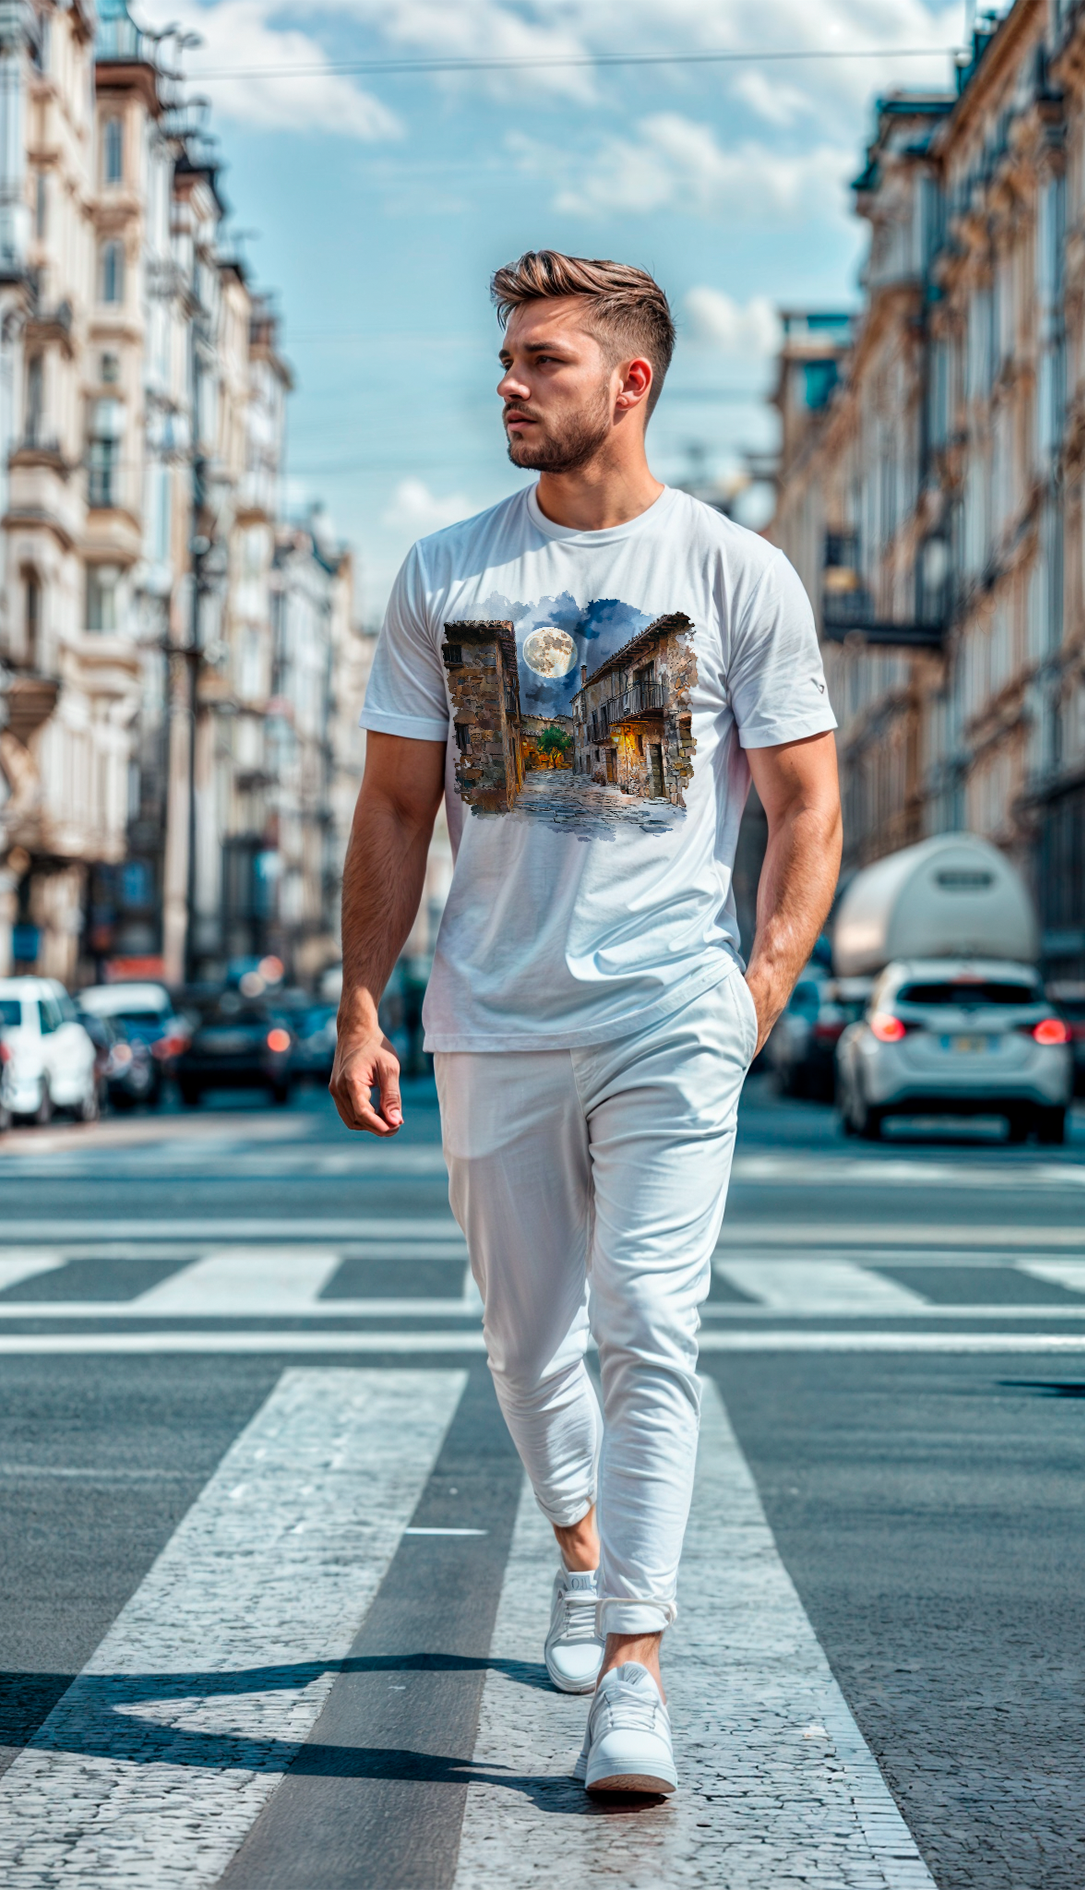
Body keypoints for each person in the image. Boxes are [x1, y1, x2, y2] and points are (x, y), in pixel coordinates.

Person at [330, 250, 840, 1795]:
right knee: (526, 1338)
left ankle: (634, 1668)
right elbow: (394, 808)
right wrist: (360, 995)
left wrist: (752, 995)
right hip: (489, 1008)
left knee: (648, 1327)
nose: (507, 382)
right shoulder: (444, 572)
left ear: (628, 384)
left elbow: (808, 807)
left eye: (539, 360)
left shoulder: (734, 571)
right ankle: (577, 1545)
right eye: (504, 359)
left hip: (667, 1010)